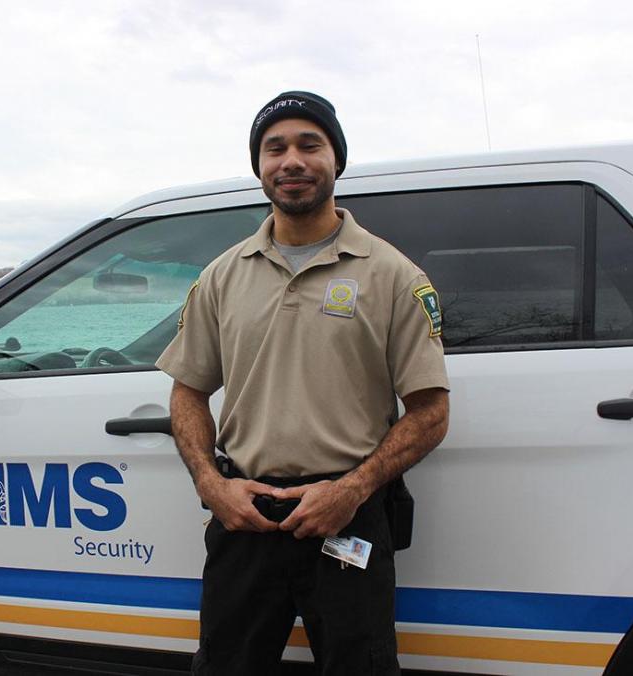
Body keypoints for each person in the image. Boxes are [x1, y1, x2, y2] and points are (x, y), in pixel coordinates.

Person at [156, 91, 450, 675]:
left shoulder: (392, 274)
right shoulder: (222, 275)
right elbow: (188, 390)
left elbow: (431, 412)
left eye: (309, 144)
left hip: (346, 516)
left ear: (336, 160)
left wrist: (351, 490)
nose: (291, 160)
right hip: (244, 515)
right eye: (275, 148)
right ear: (260, 168)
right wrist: (212, 485)